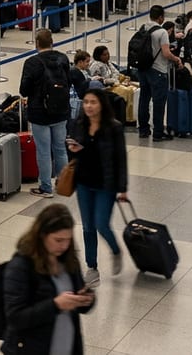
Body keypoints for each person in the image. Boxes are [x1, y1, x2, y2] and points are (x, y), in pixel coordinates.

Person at [0, 203, 93, 355]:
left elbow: (79, 296)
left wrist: (87, 299)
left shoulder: (68, 260)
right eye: (58, 240)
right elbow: (15, 317)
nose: (64, 246)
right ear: (42, 234)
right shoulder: (21, 266)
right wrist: (55, 305)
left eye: (68, 240)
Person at [65, 89, 127, 288]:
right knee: (88, 227)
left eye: (93, 102)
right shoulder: (78, 124)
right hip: (84, 182)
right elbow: (74, 152)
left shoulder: (114, 128)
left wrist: (123, 187)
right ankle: (92, 267)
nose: (89, 106)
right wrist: (72, 149)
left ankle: (116, 250)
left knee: (101, 224)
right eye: (86, 102)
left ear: (101, 104)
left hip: (105, 184)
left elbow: (120, 158)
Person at [20, 29, 73, 197]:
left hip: (39, 113)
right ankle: (63, 182)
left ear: (36, 43)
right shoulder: (63, 58)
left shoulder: (31, 62)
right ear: (52, 42)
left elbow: (24, 89)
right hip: (61, 110)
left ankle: (45, 187)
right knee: (60, 149)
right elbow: (69, 82)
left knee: (43, 151)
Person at [140, 5, 184, 141]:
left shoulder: (144, 27)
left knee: (144, 99)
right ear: (161, 17)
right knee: (159, 102)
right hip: (158, 70)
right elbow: (166, 53)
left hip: (143, 68)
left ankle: (143, 129)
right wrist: (176, 59)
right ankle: (158, 132)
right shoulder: (162, 32)